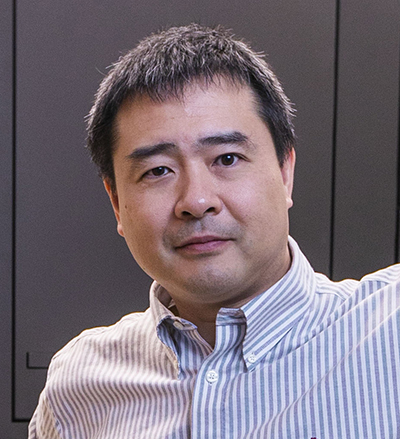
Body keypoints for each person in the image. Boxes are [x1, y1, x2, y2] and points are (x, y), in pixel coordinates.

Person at [28, 24, 400, 439]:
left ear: (285, 172)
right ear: (116, 202)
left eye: (226, 158)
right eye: (158, 170)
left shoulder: (390, 328)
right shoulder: (77, 387)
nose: (196, 200)